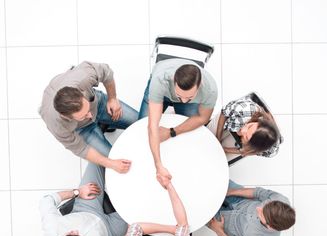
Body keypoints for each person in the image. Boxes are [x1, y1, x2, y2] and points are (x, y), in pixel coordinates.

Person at [39, 61, 138, 173]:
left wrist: (112, 98)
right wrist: (111, 163)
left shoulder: (83, 77)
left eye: (87, 109)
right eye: (84, 115)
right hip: (83, 128)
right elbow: (81, 148)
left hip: (99, 104)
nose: (90, 115)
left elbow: (107, 72)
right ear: (66, 116)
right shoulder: (56, 124)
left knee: (141, 122)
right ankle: (102, 124)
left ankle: (103, 121)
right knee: (116, 161)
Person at [139, 59, 217, 187]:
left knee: (190, 135)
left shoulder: (210, 89)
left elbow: (203, 118)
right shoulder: (160, 80)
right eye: (179, 95)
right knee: (142, 130)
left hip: (180, 91)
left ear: (200, 85)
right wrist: (158, 165)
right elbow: (152, 126)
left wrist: (172, 132)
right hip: (161, 92)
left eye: (189, 97)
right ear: (173, 80)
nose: (184, 100)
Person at [39, 161, 128, 236]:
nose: (75, 230)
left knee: (96, 159)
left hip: (86, 207)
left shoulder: (52, 227)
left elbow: (46, 201)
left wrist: (77, 192)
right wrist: (130, 235)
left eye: (70, 233)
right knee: (139, 215)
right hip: (110, 231)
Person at [208, 181, 296, 236]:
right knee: (213, 177)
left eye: (261, 213)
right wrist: (230, 192)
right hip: (240, 198)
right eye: (265, 205)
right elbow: (257, 193)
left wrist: (218, 230)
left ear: (270, 226)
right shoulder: (280, 200)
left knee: (197, 211)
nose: (258, 208)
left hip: (224, 224)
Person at [207, 93, 282, 158]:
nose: (242, 130)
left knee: (220, 156)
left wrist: (224, 150)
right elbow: (224, 113)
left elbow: (247, 151)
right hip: (231, 119)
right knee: (208, 136)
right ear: (259, 122)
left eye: (246, 137)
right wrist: (218, 138)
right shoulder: (243, 109)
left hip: (247, 143)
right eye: (250, 126)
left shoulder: (269, 151)